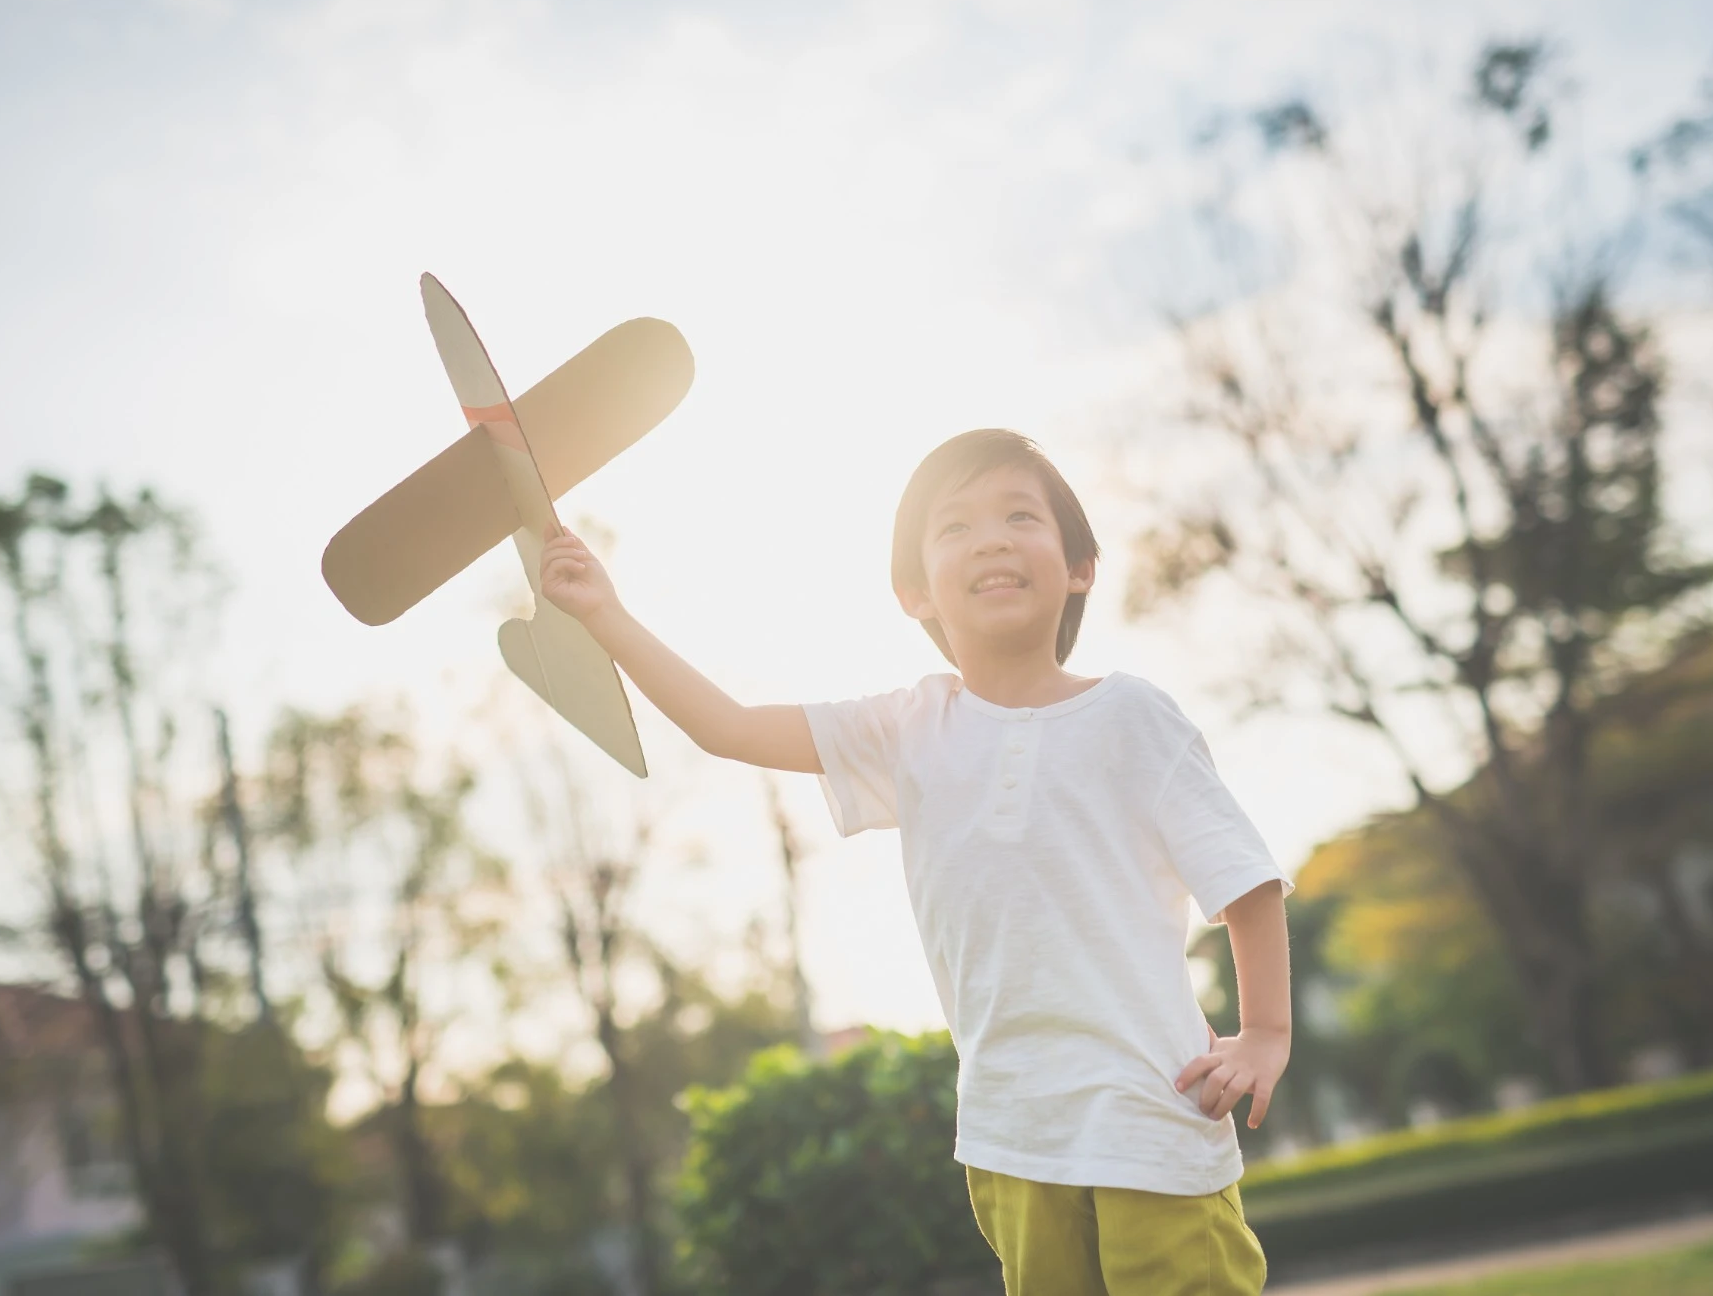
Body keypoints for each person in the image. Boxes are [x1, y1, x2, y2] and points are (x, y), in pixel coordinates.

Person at [537, 427, 1292, 1295]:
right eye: (955, 526)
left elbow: (1245, 877)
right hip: (1014, 1140)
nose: (993, 538)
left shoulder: (1134, 717)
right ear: (914, 592)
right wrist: (604, 613)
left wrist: (1265, 1031)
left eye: (1020, 515)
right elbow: (728, 725)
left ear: (1080, 565)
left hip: (1157, 1115)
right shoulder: (907, 730)